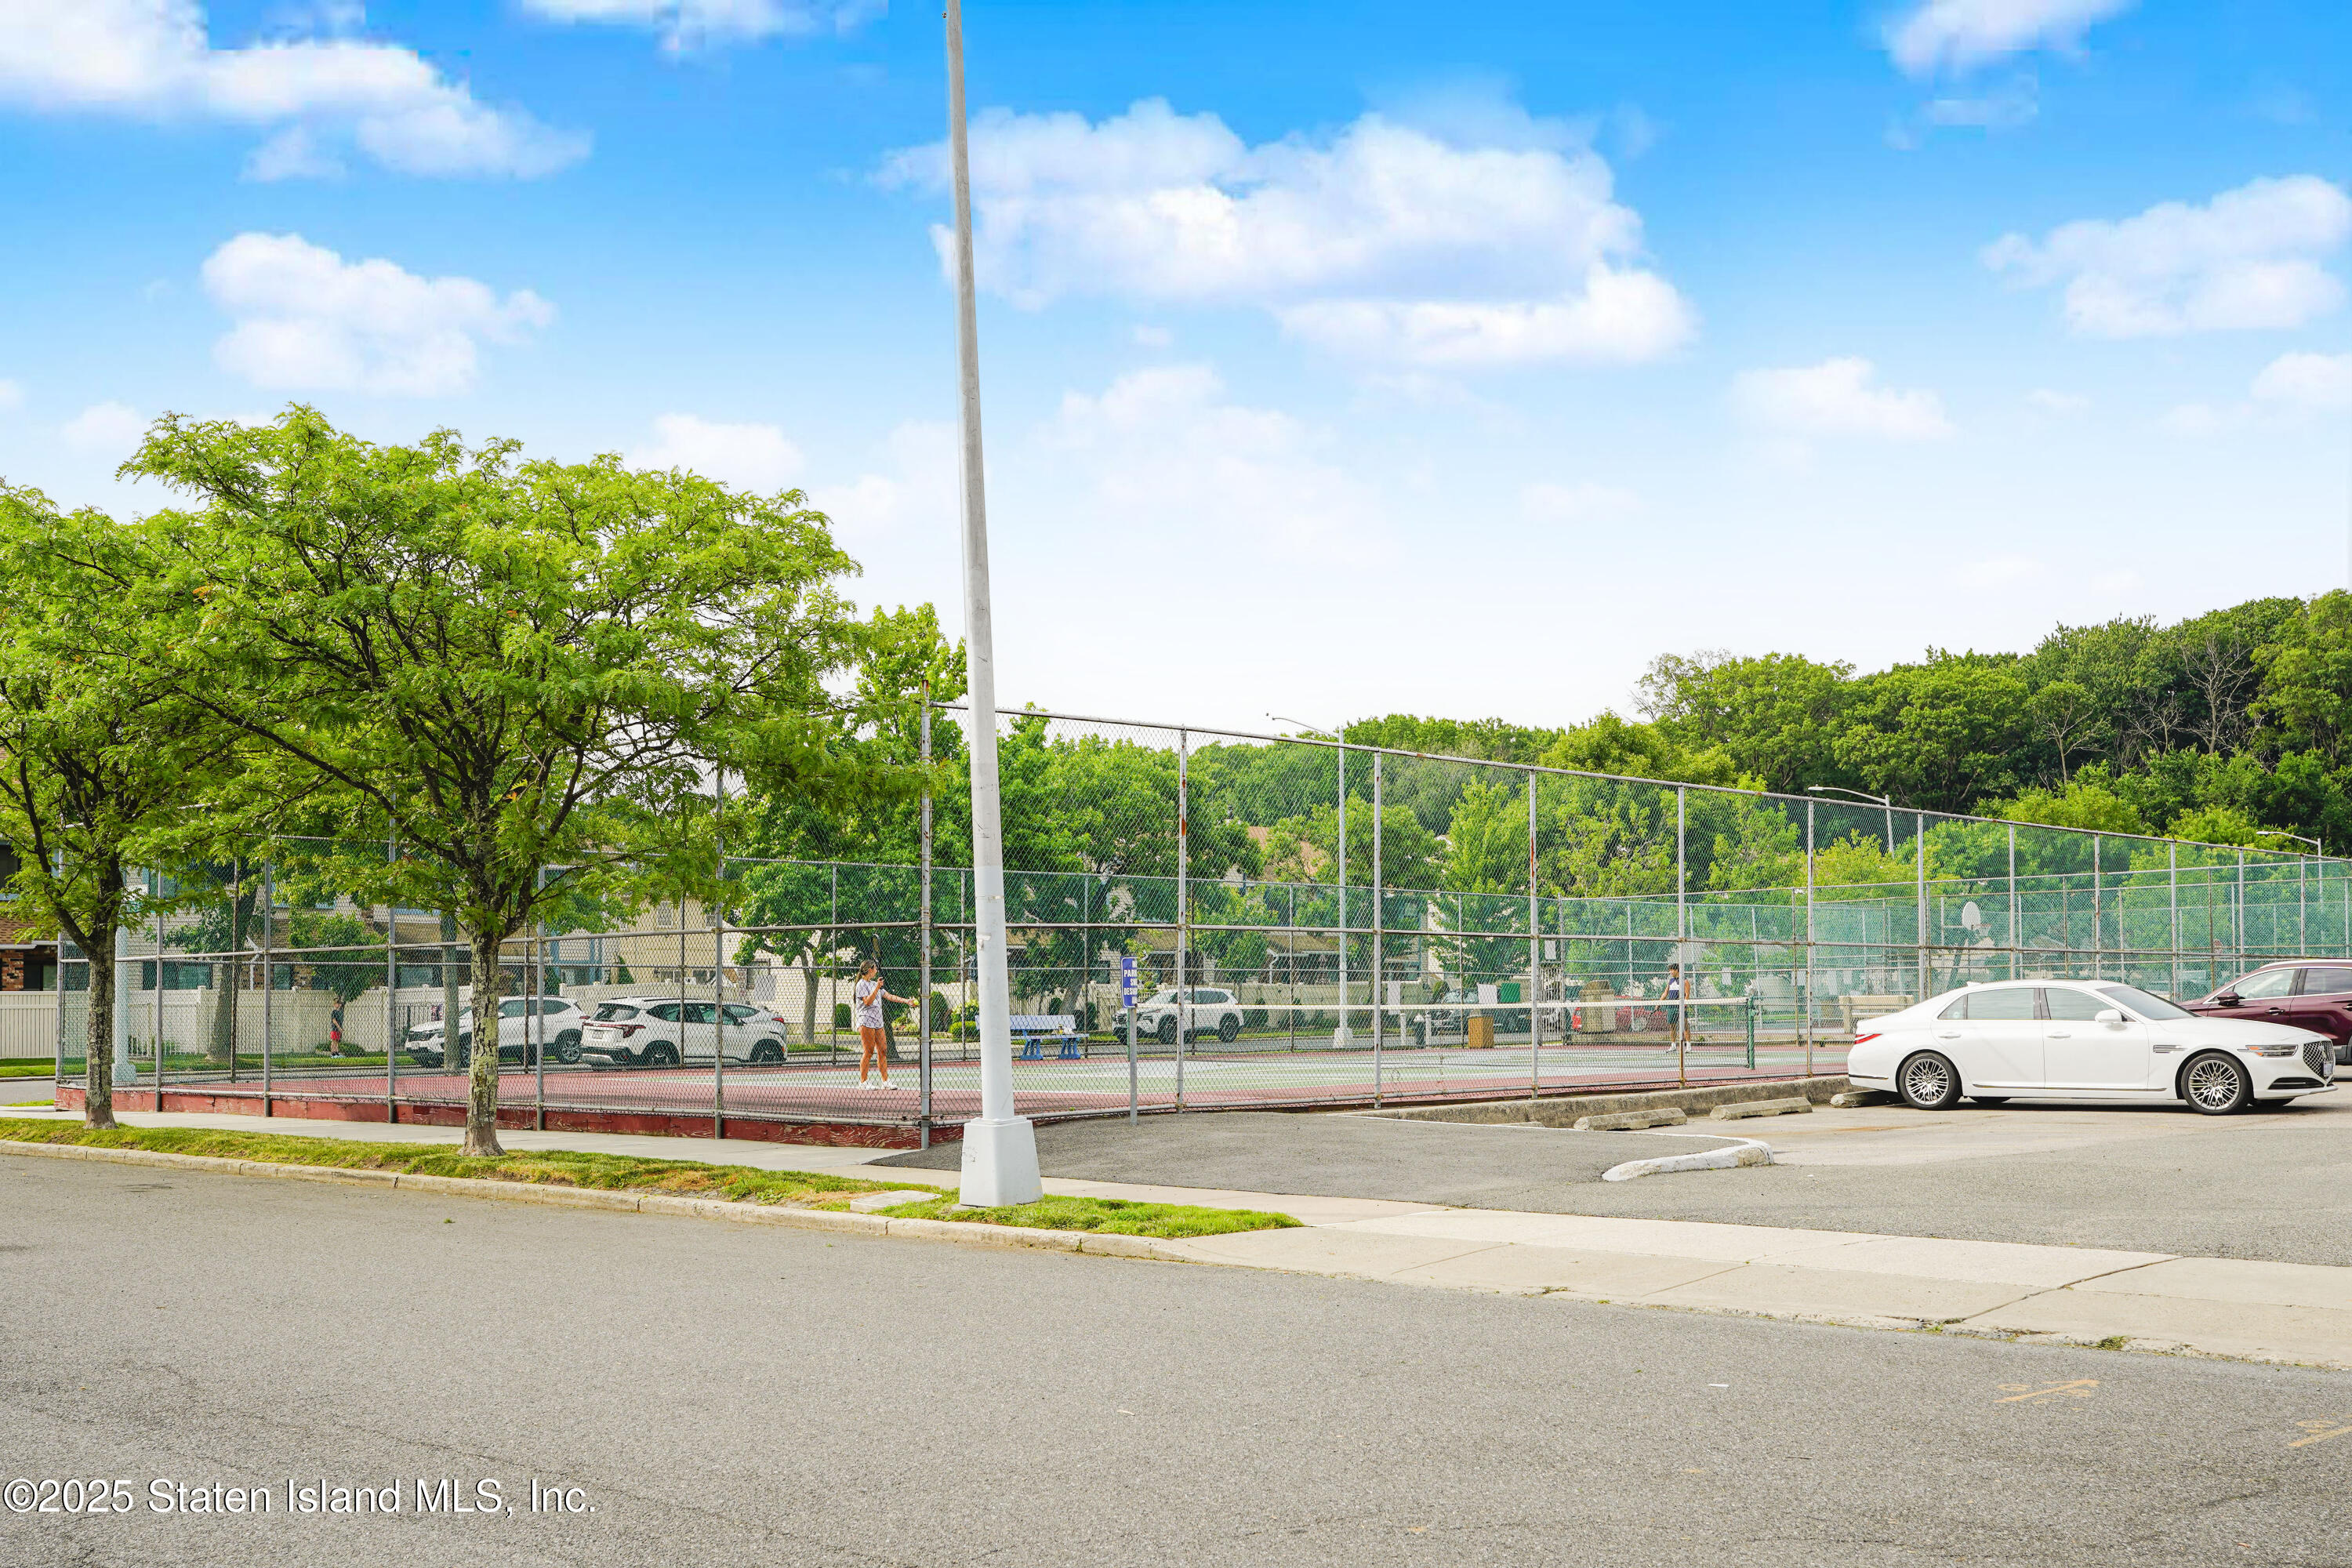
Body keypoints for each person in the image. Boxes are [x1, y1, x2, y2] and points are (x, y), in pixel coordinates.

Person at [853, 960, 915, 1091]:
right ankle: (863, 1082)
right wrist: (876, 988)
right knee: (869, 1051)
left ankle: (885, 1081)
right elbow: (868, 1002)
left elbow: (889, 996)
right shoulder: (861, 985)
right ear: (870, 970)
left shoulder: (875, 984)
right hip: (866, 1021)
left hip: (878, 1022)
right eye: (875, 968)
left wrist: (906, 1001)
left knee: (883, 1050)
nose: (876, 971)